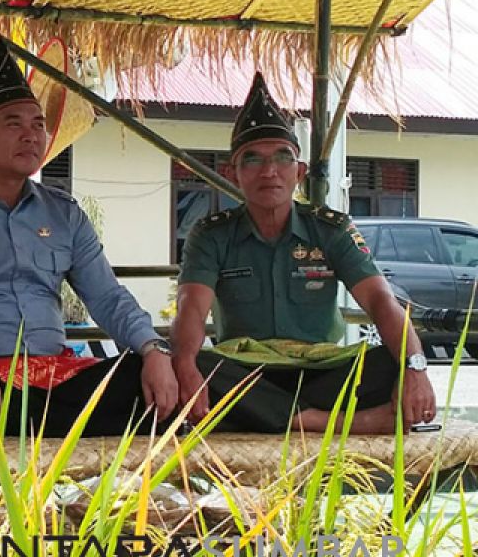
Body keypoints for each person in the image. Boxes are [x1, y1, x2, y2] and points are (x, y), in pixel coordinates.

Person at [0, 40, 178, 437]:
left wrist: (153, 349)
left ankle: (35, 425)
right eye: (14, 123)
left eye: (38, 124)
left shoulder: (65, 214)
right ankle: (44, 425)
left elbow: (107, 298)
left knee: (153, 378)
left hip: (58, 381)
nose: (31, 136)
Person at [172, 72, 437, 434]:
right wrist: (185, 364)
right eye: (252, 159)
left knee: (393, 362)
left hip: (320, 374)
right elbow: (191, 308)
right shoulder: (211, 234)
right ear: (232, 173)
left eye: (282, 158)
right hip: (248, 374)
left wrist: (416, 367)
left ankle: (285, 417)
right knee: (190, 364)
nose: (269, 171)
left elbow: (380, 301)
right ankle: (331, 422)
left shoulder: (331, 229)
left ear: (299, 172)